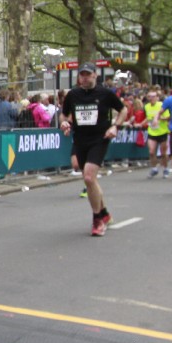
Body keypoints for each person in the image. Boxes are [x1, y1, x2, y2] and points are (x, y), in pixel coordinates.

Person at [60, 64, 128, 236]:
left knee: (89, 177)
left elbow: (123, 110)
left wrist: (116, 127)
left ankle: (97, 220)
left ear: (95, 76)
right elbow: (64, 114)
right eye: (81, 75)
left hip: (99, 139)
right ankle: (104, 212)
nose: (84, 77)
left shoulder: (105, 93)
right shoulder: (73, 94)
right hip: (80, 140)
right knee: (89, 179)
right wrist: (64, 123)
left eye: (88, 74)